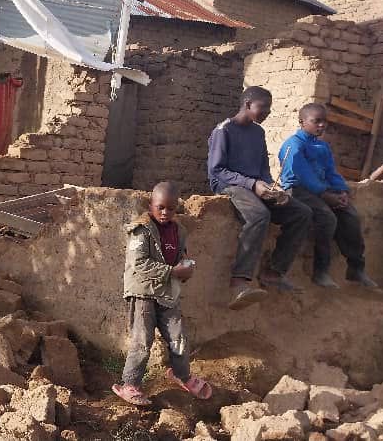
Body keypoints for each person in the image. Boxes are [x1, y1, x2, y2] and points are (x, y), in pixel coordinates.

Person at [207, 86, 313, 310]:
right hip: (229, 186)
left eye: (269, 109)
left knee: (301, 212)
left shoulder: (258, 133)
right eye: (263, 108)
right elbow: (217, 170)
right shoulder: (223, 131)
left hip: (254, 186)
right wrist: (251, 184)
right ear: (247, 105)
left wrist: (273, 188)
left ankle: (273, 272)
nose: (267, 113)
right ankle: (239, 281)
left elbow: (263, 168)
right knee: (258, 215)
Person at [112, 182, 212, 406]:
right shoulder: (142, 229)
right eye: (160, 207)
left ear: (177, 208)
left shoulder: (179, 231)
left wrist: (186, 268)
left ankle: (181, 375)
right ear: (151, 206)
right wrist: (172, 271)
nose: (165, 212)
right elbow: (139, 264)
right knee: (142, 341)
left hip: (167, 294)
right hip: (143, 292)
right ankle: (130, 384)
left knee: (179, 339)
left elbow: (181, 257)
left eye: (171, 208)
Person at [278, 103, 377, 289]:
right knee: (327, 218)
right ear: (302, 122)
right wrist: (325, 195)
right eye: (317, 121)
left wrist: (342, 191)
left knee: (351, 216)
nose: (322, 125)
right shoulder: (294, 144)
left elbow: (331, 172)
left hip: (322, 191)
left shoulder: (322, 146)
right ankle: (320, 271)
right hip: (298, 190)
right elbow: (302, 174)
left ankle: (356, 268)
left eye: (325, 122)